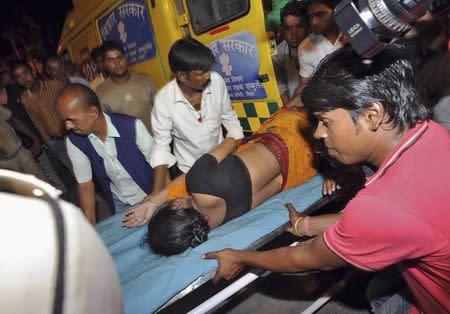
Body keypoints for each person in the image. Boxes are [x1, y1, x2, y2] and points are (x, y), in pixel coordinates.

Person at [202, 47, 450, 314]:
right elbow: (390, 225)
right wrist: (304, 224)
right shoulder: (433, 132)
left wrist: (239, 257)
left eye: (325, 121)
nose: (319, 133)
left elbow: (303, 257)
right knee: (377, 290)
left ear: (372, 115)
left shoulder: (382, 206)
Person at [124, 108, 318, 255]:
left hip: (305, 164)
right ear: (175, 204)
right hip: (290, 133)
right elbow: (232, 141)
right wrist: (154, 203)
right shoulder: (198, 180)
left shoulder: (215, 223)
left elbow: (277, 182)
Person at [150, 38, 244, 194]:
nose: (208, 76)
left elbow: (230, 118)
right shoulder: (164, 100)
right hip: (189, 172)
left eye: (208, 70)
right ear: (181, 76)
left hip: (222, 161)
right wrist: (157, 192)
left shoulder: (216, 81)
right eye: (201, 73)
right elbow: (161, 146)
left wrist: (238, 152)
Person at [56, 84, 154, 224]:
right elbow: (85, 186)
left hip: (148, 193)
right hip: (118, 201)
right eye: (65, 120)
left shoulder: (131, 126)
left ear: (94, 112)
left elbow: (159, 166)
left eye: (71, 119)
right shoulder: (75, 141)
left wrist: (155, 199)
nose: (68, 126)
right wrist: (92, 229)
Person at [11, 61, 74, 182]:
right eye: (18, 77)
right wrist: (48, 142)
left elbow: (71, 107)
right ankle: (94, 198)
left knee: (89, 166)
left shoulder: (54, 85)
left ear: (33, 72)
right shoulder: (24, 98)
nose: (23, 79)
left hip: (72, 135)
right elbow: (36, 121)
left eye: (25, 73)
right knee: (73, 170)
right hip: (55, 142)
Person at [95, 40, 157, 133]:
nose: (117, 63)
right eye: (110, 60)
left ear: (125, 58)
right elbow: (106, 126)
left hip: (158, 140)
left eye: (120, 58)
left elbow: (160, 109)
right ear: (104, 64)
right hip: (130, 145)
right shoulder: (100, 92)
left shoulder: (145, 80)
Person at [291, 0, 344, 105]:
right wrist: (288, 108)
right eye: (310, 16)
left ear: (335, 10)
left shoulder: (353, 34)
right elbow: (304, 86)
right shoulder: (305, 47)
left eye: (320, 14)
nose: (313, 22)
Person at [0, 86, 44, 179]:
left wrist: (34, 137)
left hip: (20, 152)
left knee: (41, 184)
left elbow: (12, 120)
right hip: (4, 164)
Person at [272, 1, 308, 106]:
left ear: (307, 25)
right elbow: (281, 90)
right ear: (282, 29)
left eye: (299, 27)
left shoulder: (316, 48)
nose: (293, 34)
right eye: (288, 29)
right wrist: (291, 113)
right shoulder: (277, 55)